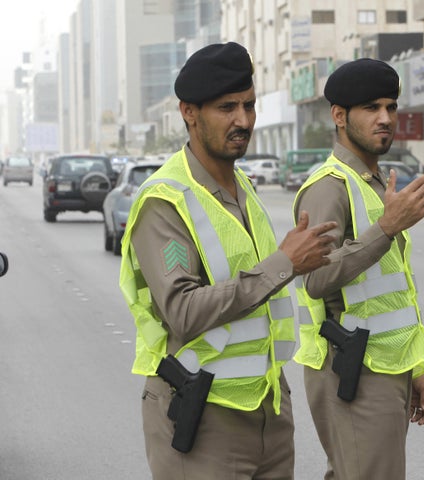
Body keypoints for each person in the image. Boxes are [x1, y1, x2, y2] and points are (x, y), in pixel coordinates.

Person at [118, 42, 337, 480]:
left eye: (249, 106)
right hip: (202, 418)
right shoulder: (166, 202)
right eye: (227, 107)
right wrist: (283, 265)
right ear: (189, 112)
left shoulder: (244, 187)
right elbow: (183, 310)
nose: (244, 120)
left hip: (267, 411)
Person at [292, 58, 424, 480]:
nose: (386, 118)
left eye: (391, 107)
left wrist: (415, 371)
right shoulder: (329, 187)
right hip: (352, 370)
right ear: (339, 116)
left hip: (386, 368)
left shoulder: (374, 184)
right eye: (371, 108)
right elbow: (315, 278)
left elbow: (389, 297)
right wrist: (387, 228)